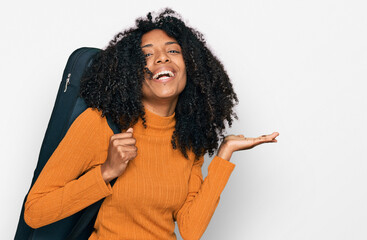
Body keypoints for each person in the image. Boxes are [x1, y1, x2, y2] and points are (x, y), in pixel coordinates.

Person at [24, 8, 279, 240]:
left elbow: (190, 231)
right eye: (147, 55)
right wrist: (106, 171)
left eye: (173, 50)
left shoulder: (189, 140)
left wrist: (225, 154)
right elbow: (35, 212)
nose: (161, 59)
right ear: (131, 72)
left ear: (189, 66)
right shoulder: (99, 124)